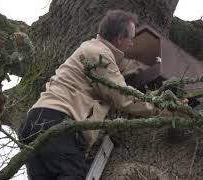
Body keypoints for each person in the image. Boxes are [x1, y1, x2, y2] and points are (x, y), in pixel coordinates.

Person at [18, 9, 181, 180]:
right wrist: (162, 108)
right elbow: (123, 96)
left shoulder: (92, 49)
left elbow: (119, 69)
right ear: (119, 38)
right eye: (131, 39)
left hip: (35, 121)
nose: (132, 44)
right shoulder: (99, 55)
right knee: (71, 175)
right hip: (58, 122)